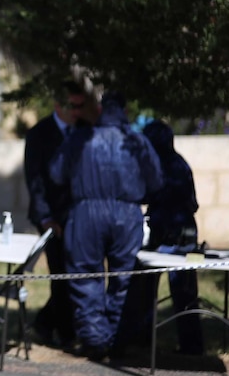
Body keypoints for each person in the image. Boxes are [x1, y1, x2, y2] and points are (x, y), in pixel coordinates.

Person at [49, 91, 162, 361]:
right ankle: (116, 339)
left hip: (86, 212)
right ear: (124, 110)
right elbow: (156, 180)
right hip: (127, 214)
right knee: (125, 278)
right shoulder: (138, 140)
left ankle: (96, 341)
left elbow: (56, 173)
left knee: (85, 277)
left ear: (100, 109)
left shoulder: (81, 138)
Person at [24, 80, 87, 348]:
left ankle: (46, 323)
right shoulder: (40, 134)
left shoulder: (84, 131)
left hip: (81, 217)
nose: (77, 111)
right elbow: (34, 179)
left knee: (75, 274)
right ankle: (65, 332)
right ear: (58, 106)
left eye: (81, 106)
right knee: (60, 272)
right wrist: (47, 218)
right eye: (73, 106)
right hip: (52, 217)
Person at [142, 119, 205, 355]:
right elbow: (193, 204)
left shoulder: (156, 166)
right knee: (187, 292)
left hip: (165, 235)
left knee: (147, 288)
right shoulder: (181, 163)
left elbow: (146, 195)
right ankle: (192, 345)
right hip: (187, 233)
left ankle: (143, 340)